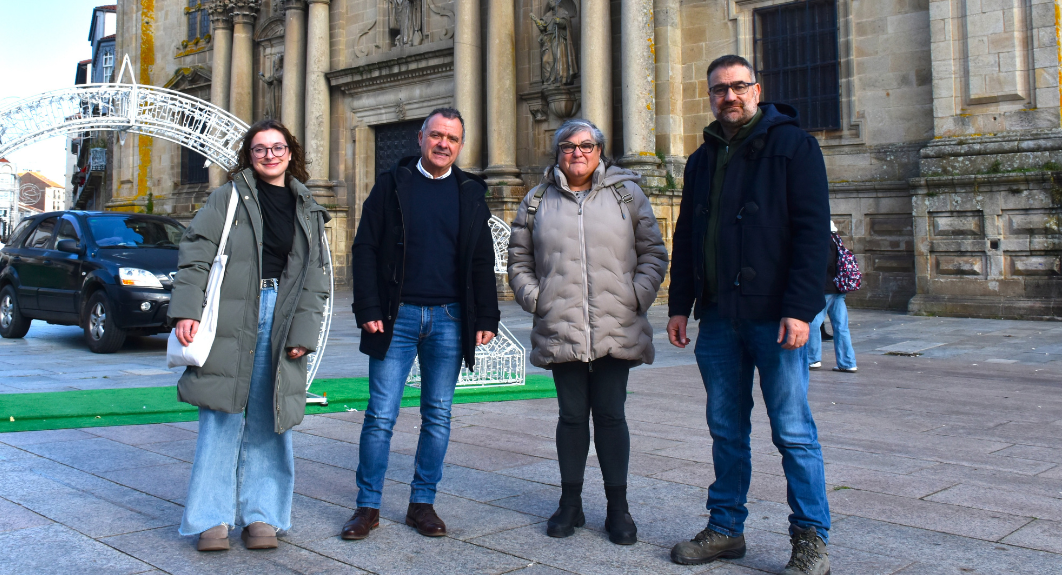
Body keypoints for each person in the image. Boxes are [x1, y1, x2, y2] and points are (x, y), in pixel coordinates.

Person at [665, 55, 833, 575]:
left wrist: (801, 310)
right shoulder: (701, 157)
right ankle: (725, 529)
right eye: (719, 89)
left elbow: (812, 233)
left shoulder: (795, 145)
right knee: (725, 427)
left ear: (757, 89)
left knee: (793, 430)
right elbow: (689, 236)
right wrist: (679, 305)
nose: (729, 96)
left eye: (738, 87)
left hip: (777, 318)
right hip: (719, 318)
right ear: (710, 96)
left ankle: (810, 538)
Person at [168, 119, 331, 552]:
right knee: (221, 415)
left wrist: (304, 331)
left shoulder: (308, 207)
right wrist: (186, 312)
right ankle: (211, 519)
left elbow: (316, 278)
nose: (270, 155)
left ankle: (263, 516)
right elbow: (196, 255)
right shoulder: (227, 198)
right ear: (250, 156)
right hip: (230, 315)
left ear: (290, 153)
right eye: (260, 149)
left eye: (277, 148)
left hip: (282, 312)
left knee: (270, 417)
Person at [508, 119, 668, 545]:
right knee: (572, 417)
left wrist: (636, 296)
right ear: (557, 152)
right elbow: (518, 259)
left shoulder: (626, 193)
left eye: (586, 145)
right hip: (561, 323)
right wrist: (536, 298)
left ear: (600, 151)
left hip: (617, 322)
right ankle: (571, 504)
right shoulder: (537, 199)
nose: (577, 153)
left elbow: (653, 251)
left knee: (612, 416)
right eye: (567, 146)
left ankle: (619, 508)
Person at [343, 107, 500, 540]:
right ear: (420, 138)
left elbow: (482, 258)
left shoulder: (471, 191)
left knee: (438, 414)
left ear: (460, 145)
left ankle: (422, 503)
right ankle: (367, 507)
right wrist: (369, 308)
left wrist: (487, 315)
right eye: (436, 136)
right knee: (380, 415)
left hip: (450, 317)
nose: (443, 144)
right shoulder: (392, 184)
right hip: (397, 316)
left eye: (452, 138)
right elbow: (365, 249)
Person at [808, 221, 857, 373]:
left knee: (812, 324)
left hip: (826, 288)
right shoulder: (837, 240)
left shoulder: (824, 241)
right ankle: (847, 362)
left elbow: (826, 264)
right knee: (841, 327)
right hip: (839, 288)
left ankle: (812, 358)